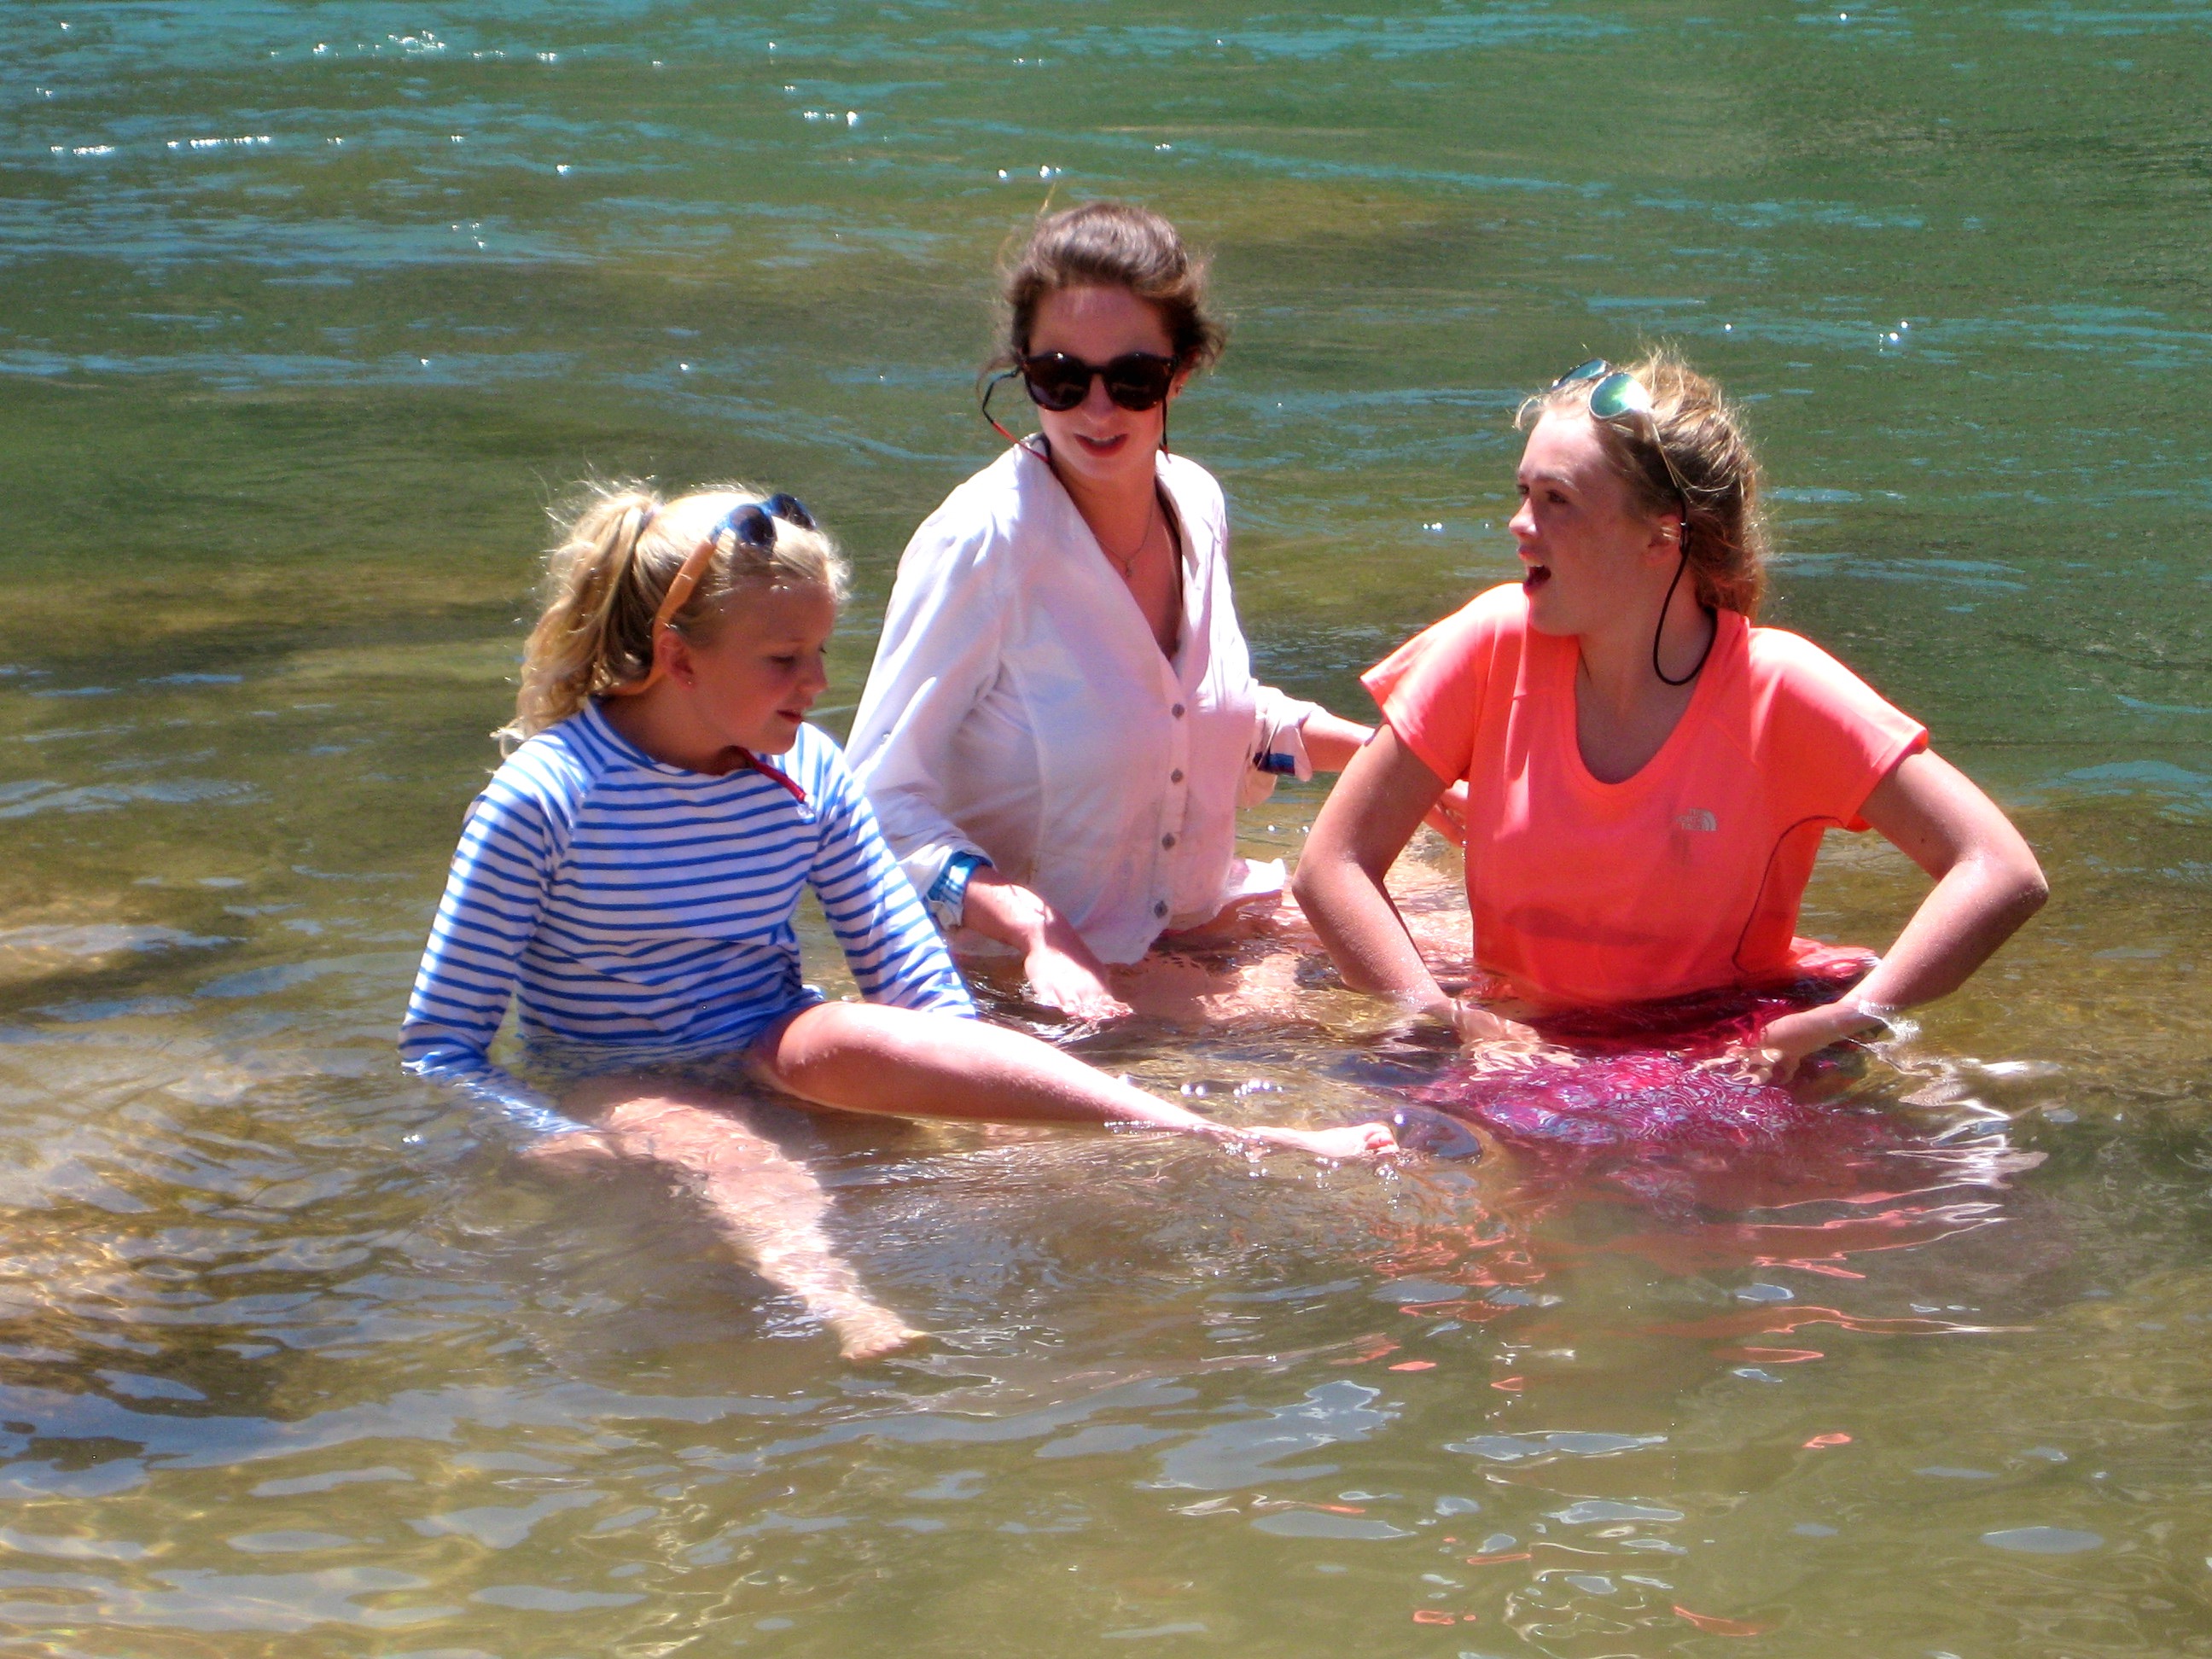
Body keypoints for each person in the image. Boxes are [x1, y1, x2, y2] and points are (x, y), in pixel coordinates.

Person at [400, 484, 1395, 1360]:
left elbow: (907, 970)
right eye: (783, 658)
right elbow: (442, 1048)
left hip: (774, 1040)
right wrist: (543, 1134)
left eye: (821, 651)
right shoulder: (545, 797)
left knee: (870, 1048)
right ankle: (839, 1304)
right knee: (725, 1148)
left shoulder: (807, 768)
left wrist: (975, 1095)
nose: (818, 684)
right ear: (677, 658)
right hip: (618, 1073)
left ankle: (1212, 1134)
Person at [1292, 352, 2047, 1081]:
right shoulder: (1491, 645)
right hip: (1523, 1042)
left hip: (1717, 1051)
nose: (1519, 524)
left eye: (1556, 500)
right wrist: (1441, 1020)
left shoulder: (1776, 688)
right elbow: (1333, 865)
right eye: (1523, 492)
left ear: (1661, 536)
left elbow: (1999, 870)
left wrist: (1846, 1018)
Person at [848, 201, 1428, 1021]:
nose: (1096, 409)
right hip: (1045, 979)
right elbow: (872, 806)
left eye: (1131, 381)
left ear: (1180, 374)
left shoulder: (1195, 503)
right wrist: (1032, 927)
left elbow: (1198, 716)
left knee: (1485, 953)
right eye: (1061, 378)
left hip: (1207, 921)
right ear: (1022, 371)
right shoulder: (981, 543)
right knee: (1432, 1025)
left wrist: (1408, 770)